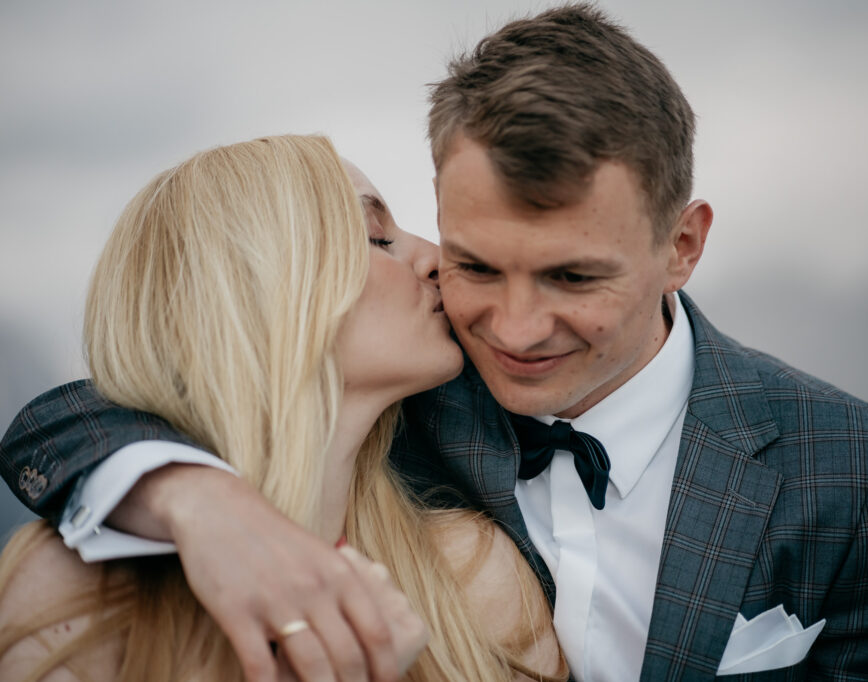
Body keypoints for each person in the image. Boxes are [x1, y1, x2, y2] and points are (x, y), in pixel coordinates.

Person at [1, 4, 868, 680]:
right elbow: (79, 417)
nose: (512, 328)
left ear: (682, 245)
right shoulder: (412, 399)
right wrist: (204, 507)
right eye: (473, 264)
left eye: (573, 278)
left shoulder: (855, 477)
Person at [0, 135, 565, 681]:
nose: (437, 258)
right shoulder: (67, 600)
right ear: (255, 292)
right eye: (376, 237)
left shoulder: (473, 576)